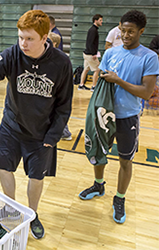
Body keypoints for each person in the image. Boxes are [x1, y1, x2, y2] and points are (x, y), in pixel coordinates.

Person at [0, 10, 73, 239]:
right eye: (20, 37)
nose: (23, 44)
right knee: (2, 167)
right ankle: (12, 208)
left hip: (42, 132)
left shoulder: (61, 63)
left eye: (29, 39)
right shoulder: (11, 55)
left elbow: (64, 105)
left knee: (36, 178)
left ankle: (32, 213)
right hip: (12, 125)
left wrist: (53, 136)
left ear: (45, 37)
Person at [79, 10, 159, 224]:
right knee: (99, 152)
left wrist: (119, 80)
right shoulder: (112, 53)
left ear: (141, 31)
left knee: (125, 159)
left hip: (128, 117)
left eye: (130, 31)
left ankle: (120, 198)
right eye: (122, 30)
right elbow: (104, 81)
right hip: (105, 113)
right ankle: (98, 184)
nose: (125, 35)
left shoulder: (150, 57)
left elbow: (146, 92)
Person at [48, 32, 72, 141]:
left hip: (57, 91)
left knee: (58, 110)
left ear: (55, 43)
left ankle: (65, 132)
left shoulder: (60, 58)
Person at [78, 14, 103, 91]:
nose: (102, 22)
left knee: (86, 69)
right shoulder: (93, 30)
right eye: (100, 20)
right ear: (96, 21)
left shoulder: (93, 30)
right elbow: (90, 43)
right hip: (90, 54)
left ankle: (81, 85)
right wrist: (93, 54)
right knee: (97, 69)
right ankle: (94, 86)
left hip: (87, 53)